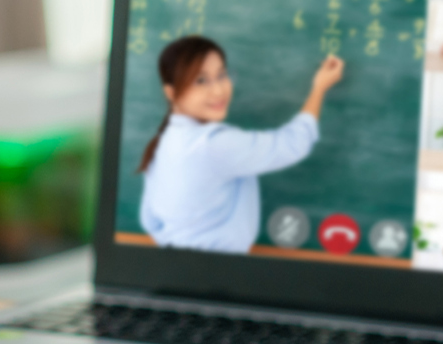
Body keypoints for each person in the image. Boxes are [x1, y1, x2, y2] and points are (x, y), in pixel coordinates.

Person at [137, 35, 344, 253]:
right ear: (171, 93)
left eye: (222, 75)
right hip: (214, 274)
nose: (218, 90)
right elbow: (294, 143)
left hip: (173, 266)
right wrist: (319, 88)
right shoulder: (213, 144)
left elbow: (150, 221)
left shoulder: (163, 142)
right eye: (201, 80)